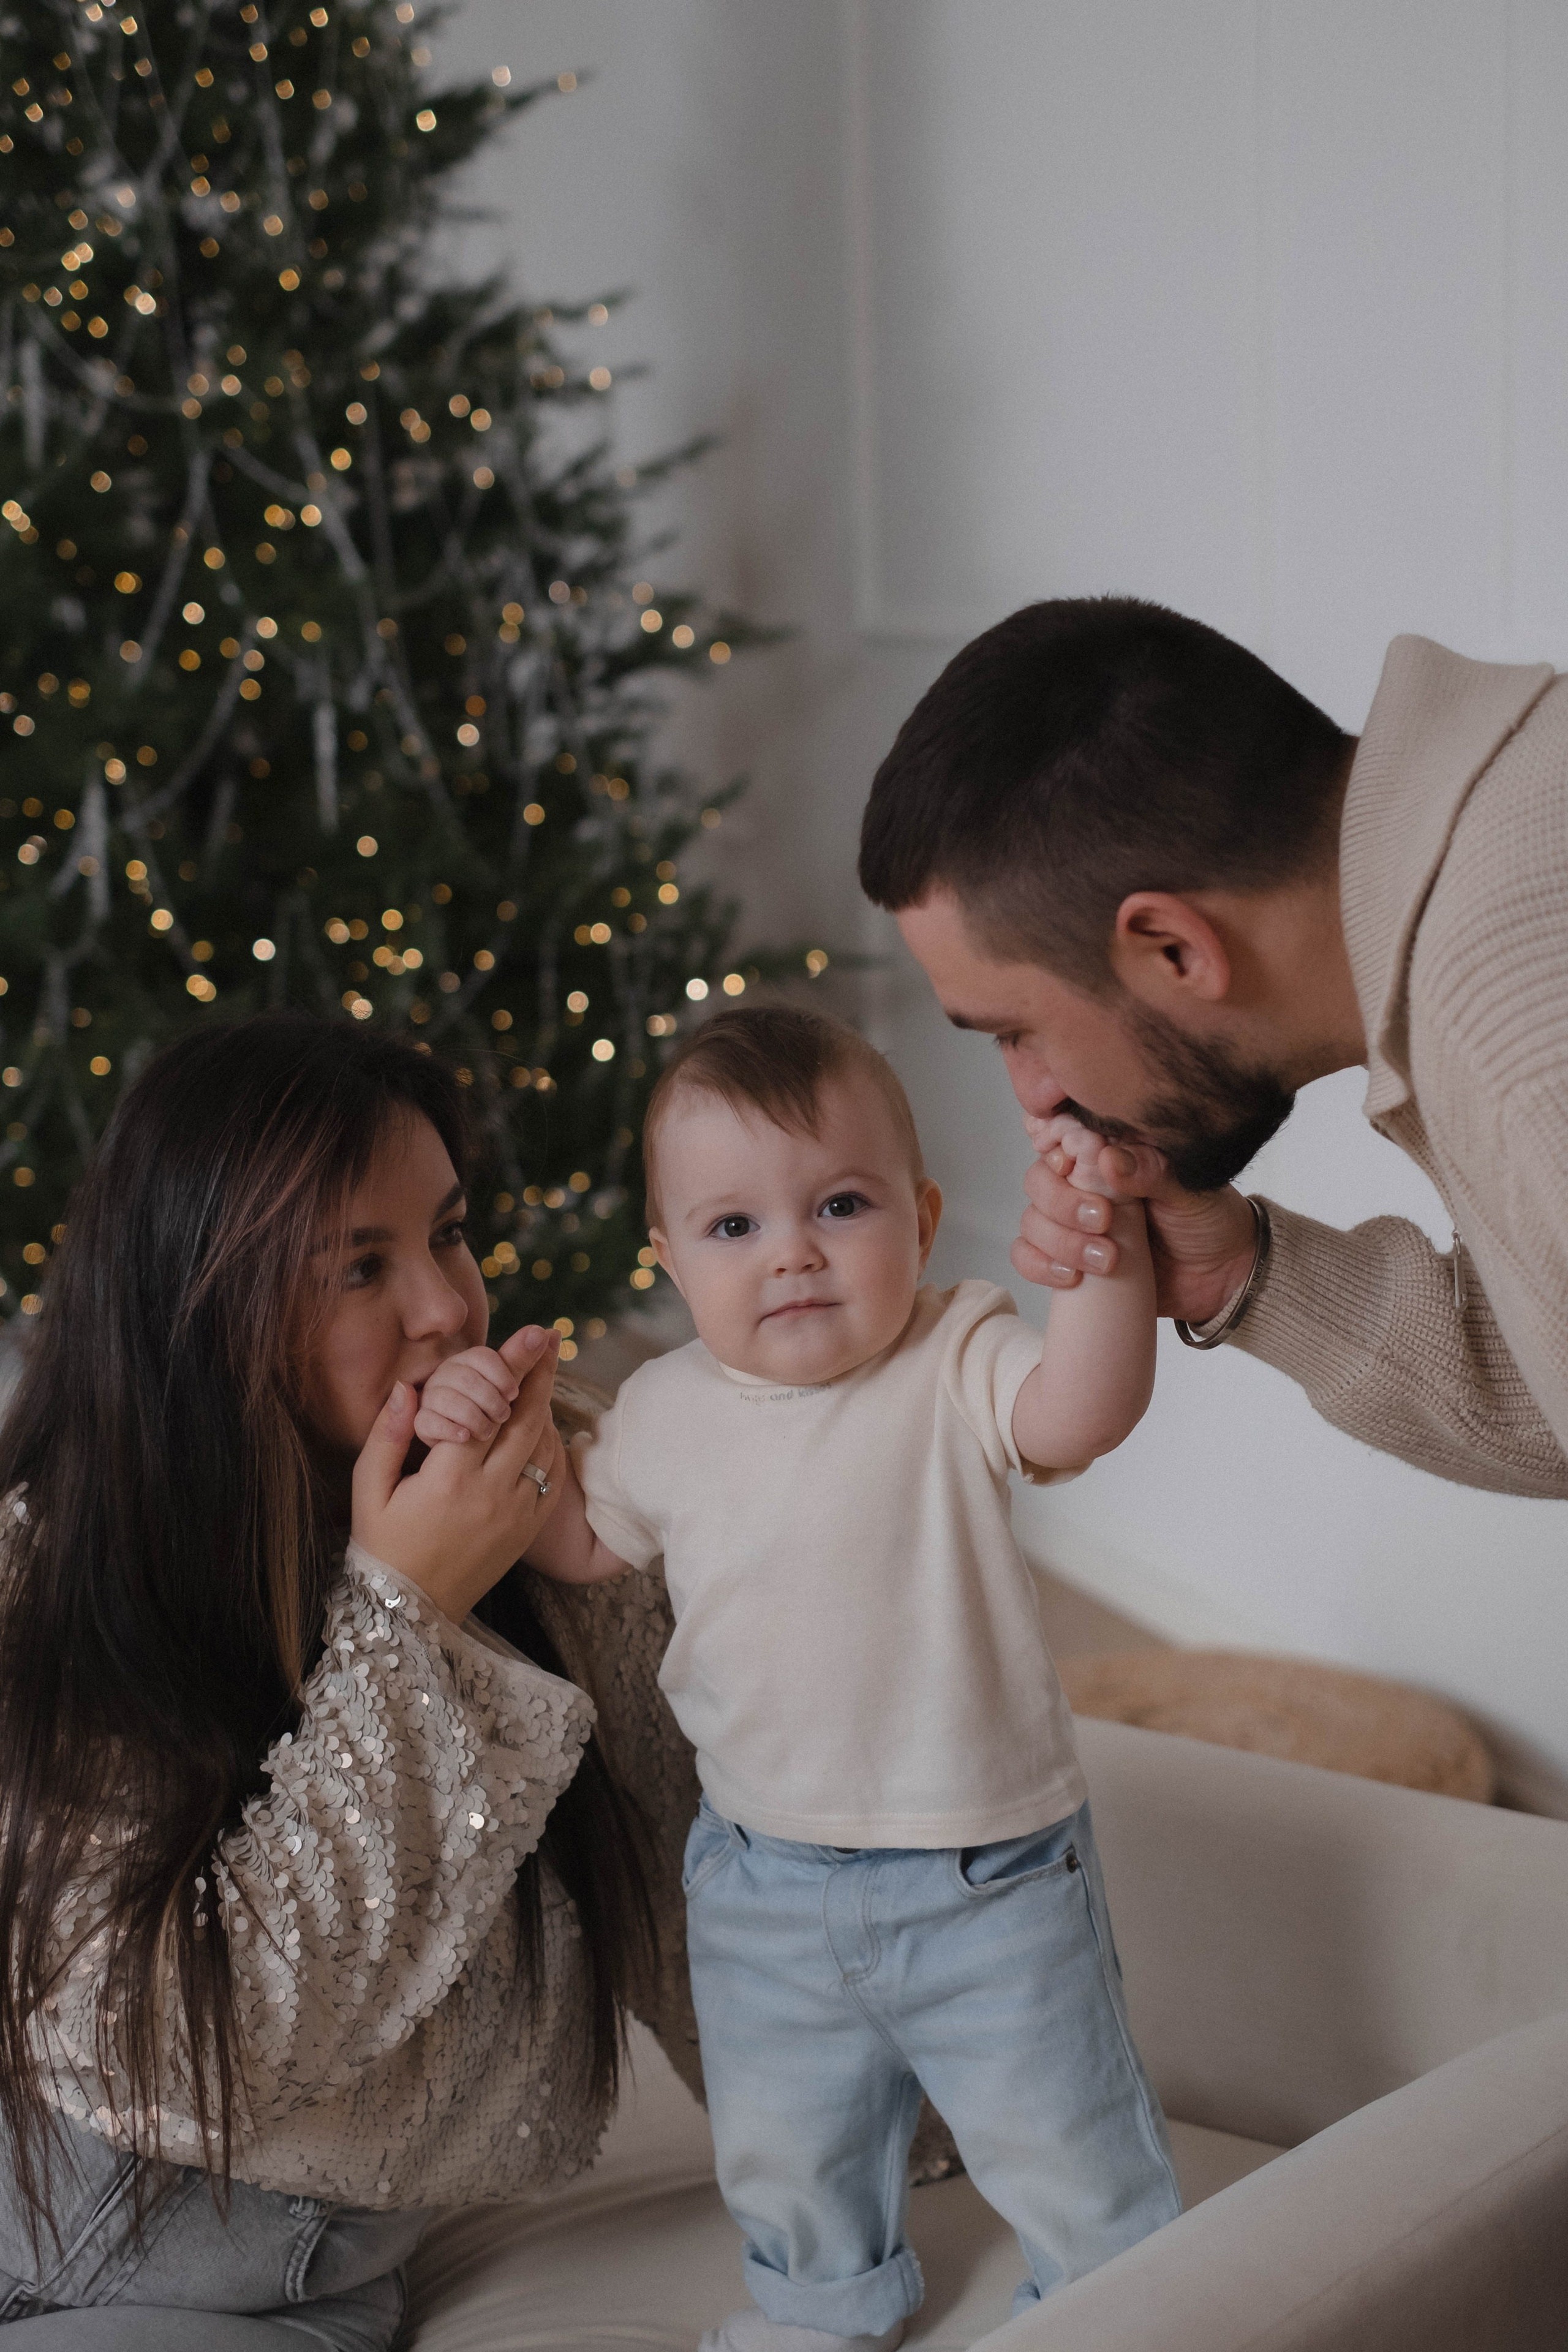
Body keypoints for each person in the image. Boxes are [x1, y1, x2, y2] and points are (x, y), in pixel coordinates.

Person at [415, 1005, 1182, 2352]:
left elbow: (1080, 1411)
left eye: (837, 1205)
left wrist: (1104, 1270)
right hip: (760, 1878)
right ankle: (820, 2305)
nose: (792, 1256)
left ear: (920, 1216)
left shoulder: (953, 1357)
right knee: (786, 2141)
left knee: (1060, 2126)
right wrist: (481, 1425)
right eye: (733, 1229)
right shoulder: (661, 1410)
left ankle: (1113, 2300)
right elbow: (582, 1540)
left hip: (982, 1873)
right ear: (672, 1257)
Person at [0, 1012, 698, 2348]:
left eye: (445, 1231)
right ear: (203, 1315)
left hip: (281, 2287)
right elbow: (185, 2055)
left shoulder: (545, 1503)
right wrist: (407, 1618)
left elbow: (692, 1867)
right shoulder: (55, 1574)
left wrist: (883, 2148)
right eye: (358, 1267)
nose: (448, 1305)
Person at [859, 596, 1568, 1499]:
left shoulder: (1520, 1039)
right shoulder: (1507, 810)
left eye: (1016, 1032)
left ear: (1174, 950)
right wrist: (1244, 1272)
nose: (1034, 1095)